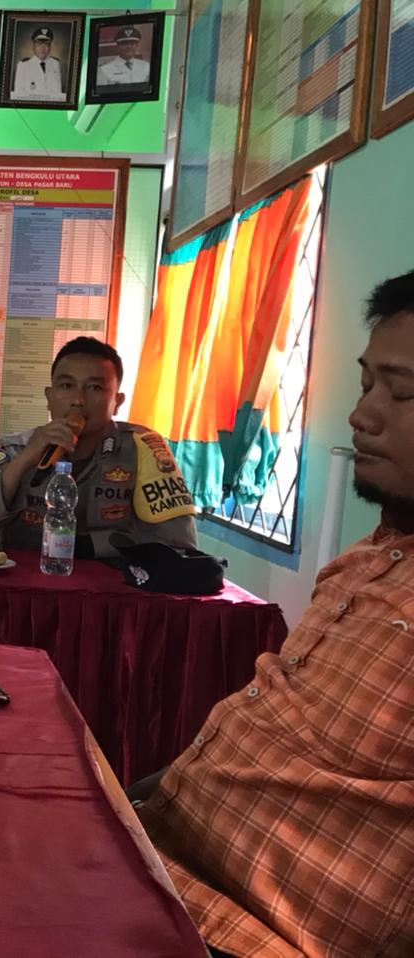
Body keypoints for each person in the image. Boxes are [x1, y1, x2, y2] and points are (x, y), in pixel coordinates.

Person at [134, 272, 414, 957]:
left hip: (238, 934)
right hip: (161, 865)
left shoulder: (138, 453)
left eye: (402, 392)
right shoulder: (366, 559)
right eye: (366, 384)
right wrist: (125, 805)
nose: (361, 415)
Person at [0, 337, 197, 558]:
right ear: (49, 397)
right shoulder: (13, 449)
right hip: (23, 586)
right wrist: (23, 461)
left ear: (118, 401)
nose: (78, 400)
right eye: (66, 386)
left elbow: (180, 543)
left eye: (95, 388)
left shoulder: (143, 449)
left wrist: (88, 546)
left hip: (112, 589)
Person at [11, 26, 65, 101]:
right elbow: (18, 96)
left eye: (46, 44)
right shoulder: (23, 65)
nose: (43, 48)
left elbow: (58, 94)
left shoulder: (55, 64)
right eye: (39, 44)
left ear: (50, 47)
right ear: (33, 46)